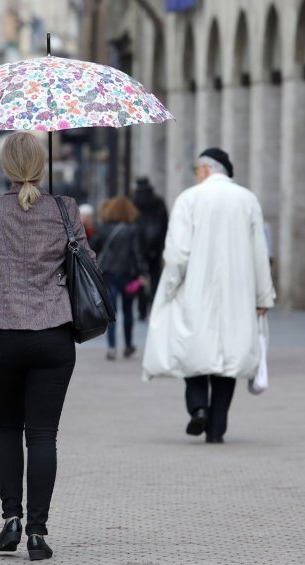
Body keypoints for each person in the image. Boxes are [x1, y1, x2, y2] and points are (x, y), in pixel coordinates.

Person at [0, 131, 92, 561]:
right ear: (42, 165)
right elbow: (87, 264)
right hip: (54, 336)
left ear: (5, 167)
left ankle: (10, 519)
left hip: (4, 338)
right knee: (43, 436)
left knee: (7, 429)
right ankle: (37, 532)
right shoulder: (65, 208)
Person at [143, 148, 275, 444]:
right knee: (228, 359)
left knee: (194, 350)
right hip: (237, 292)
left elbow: (177, 254)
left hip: (194, 287)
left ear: (205, 169)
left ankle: (198, 407)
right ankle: (217, 428)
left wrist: (167, 289)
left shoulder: (189, 199)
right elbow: (259, 253)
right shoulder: (247, 200)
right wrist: (263, 296)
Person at [91, 196, 145, 361]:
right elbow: (136, 253)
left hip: (108, 274)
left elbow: (93, 247)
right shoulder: (132, 229)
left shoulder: (104, 228)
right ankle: (128, 345)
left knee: (111, 312)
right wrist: (141, 273)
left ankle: (112, 347)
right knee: (128, 311)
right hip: (128, 275)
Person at [132, 177, 169, 320]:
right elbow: (165, 224)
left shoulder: (135, 202)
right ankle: (154, 305)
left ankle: (142, 309)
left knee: (141, 277)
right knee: (155, 276)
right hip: (156, 244)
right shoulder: (158, 201)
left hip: (139, 244)